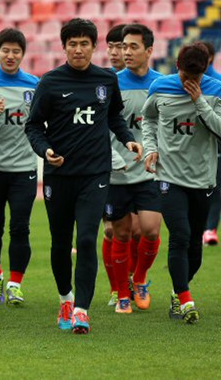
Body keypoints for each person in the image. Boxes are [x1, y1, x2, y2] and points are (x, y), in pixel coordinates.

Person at [25, 18, 141, 334]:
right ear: (64, 47)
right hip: (59, 175)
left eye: (84, 43)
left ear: (94, 46)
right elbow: (33, 126)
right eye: (72, 44)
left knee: (87, 239)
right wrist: (45, 150)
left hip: (95, 174)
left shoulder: (106, 80)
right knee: (61, 243)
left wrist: (128, 137)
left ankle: (81, 310)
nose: (78, 49)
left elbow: (114, 115)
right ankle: (65, 298)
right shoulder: (50, 82)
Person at [142, 42, 221, 324]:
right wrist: (150, 147)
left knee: (195, 251)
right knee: (180, 235)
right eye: (188, 77)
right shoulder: (159, 88)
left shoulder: (216, 89)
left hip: (202, 178)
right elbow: (148, 120)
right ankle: (186, 301)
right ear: (178, 67)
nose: (191, 82)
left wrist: (200, 100)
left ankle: (179, 290)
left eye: (197, 78)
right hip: (168, 177)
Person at [0, 28, 39, 306]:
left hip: (24, 168)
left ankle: (15, 284)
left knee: (21, 227)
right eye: (6, 50)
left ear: (23, 54)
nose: (10, 56)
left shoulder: (34, 85)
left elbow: (40, 123)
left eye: (16, 51)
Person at [107, 24, 163, 314]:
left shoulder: (162, 84)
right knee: (122, 233)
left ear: (149, 51)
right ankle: (121, 294)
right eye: (123, 46)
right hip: (117, 172)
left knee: (151, 231)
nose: (125, 52)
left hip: (150, 172)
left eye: (133, 47)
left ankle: (139, 278)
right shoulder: (111, 84)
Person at [101, 23, 128, 306]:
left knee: (135, 230)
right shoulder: (102, 80)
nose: (115, 51)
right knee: (111, 229)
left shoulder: (143, 81)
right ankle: (115, 288)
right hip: (107, 166)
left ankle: (130, 280)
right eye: (110, 46)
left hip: (138, 165)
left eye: (120, 46)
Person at [199, 40, 221, 246]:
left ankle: (209, 229)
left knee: (216, 188)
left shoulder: (218, 84)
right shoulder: (185, 82)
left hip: (216, 146)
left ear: (210, 58)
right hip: (193, 146)